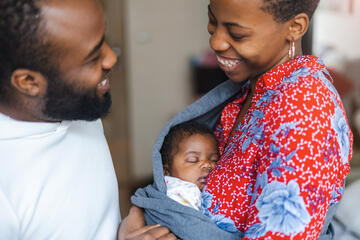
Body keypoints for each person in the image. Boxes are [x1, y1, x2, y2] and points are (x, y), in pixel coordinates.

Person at [120, 0, 353, 239]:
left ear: (295, 27)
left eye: (237, 33)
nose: (215, 42)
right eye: (212, 23)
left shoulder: (305, 108)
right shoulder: (249, 92)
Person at [0, 0, 175, 239]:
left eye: (104, 38)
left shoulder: (74, 106)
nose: (111, 58)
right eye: (92, 57)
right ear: (29, 82)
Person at [161, 122, 219, 210]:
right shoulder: (182, 191)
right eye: (193, 160)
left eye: (214, 160)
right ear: (167, 171)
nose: (207, 164)